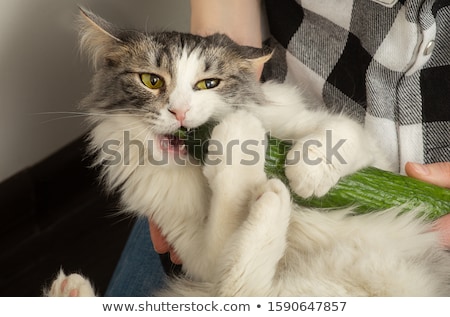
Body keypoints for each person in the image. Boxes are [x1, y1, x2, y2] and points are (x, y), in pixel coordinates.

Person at [105, 0, 450, 296]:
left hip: (398, 237)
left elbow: (349, 139)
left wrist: (321, 157)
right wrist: (216, 49)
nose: (180, 108)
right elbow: (207, 262)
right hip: (290, 81)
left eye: (206, 84)